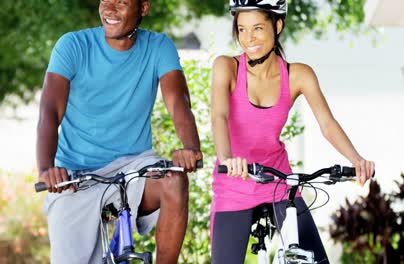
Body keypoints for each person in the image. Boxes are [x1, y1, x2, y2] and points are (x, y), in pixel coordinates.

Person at [36, 0, 202, 263]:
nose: (110, 9)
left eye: (121, 2)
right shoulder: (72, 46)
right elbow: (49, 112)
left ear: (143, 8)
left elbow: (177, 101)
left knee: (174, 180)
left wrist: (191, 147)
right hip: (76, 175)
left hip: (134, 166)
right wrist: (46, 169)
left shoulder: (159, 46)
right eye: (105, 0)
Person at [210, 0, 375, 263]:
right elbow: (219, 117)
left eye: (257, 28)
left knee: (315, 260)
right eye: (241, 29)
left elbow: (326, 123)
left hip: (279, 182)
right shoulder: (226, 67)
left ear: (277, 26)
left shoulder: (298, 75)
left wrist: (356, 160)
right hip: (235, 181)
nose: (248, 38)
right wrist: (228, 159)